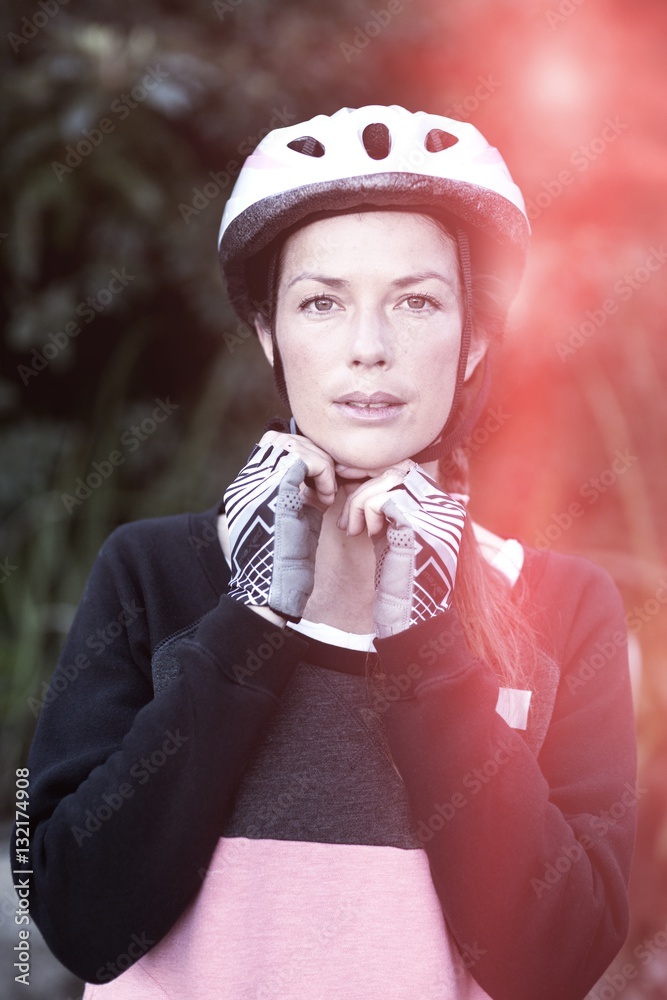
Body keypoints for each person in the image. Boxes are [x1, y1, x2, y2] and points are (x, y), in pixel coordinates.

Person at [13, 105, 637, 999]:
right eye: (321, 302)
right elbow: (76, 919)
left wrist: (430, 657)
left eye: (417, 302)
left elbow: (557, 963)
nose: (368, 349)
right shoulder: (152, 573)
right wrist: (245, 625)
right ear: (270, 336)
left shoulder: (562, 605)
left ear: (475, 342)